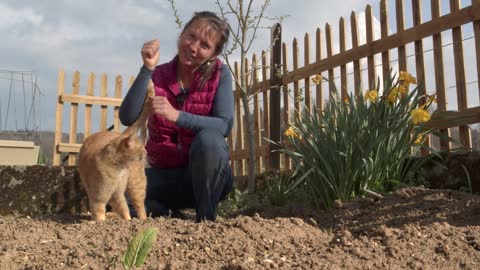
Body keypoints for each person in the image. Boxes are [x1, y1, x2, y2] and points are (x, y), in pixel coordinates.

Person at [119, 11, 234, 222]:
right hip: (165, 175)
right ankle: (160, 209)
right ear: (181, 35)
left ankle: (206, 219)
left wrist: (177, 115)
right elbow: (127, 117)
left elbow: (224, 125)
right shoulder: (159, 75)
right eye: (191, 36)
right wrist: (147, 68)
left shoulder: (220, 75)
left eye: (204, 45)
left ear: (214, 54)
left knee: (210, 139)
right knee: (119, 189)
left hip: (206, 178)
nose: (193, 47)